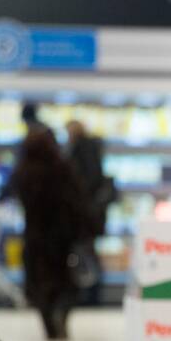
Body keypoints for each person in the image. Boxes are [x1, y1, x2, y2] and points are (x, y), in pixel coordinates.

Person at [8, 129, 89, 340]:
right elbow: (77, 201)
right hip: (61, 236)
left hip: (35, 236)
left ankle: (49, 323)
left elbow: (13, 196)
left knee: (40, 283)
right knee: (63, 280)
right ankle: (60, 313)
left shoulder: (23, 171)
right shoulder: (62, 168)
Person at [65, 120, 113, 305]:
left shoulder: (81, 149)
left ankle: (89, 292)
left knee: (85, 252)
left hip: (85, 212)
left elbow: (86, 180)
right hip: (91, 212)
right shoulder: (92, 148)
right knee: (88, 252)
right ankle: (91, 291)